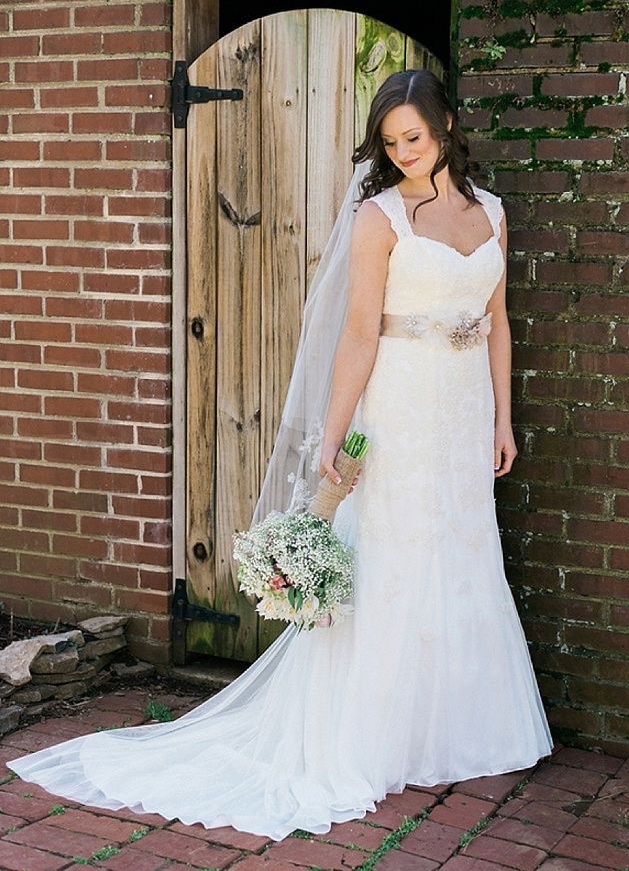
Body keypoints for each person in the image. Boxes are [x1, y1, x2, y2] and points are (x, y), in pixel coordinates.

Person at [7, 70, 552, 840]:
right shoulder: (379, 219)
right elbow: (359, 334)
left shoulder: (492, 212)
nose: (403, 153)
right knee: (392, 557)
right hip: (398, 407)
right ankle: (378, 733)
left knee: (460, 551)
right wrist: (333, 434)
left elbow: (497, 322)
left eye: (416, 139)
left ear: (448, 127)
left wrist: (503, 418)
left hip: (462, 415)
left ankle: (454, 728)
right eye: (391, 142)